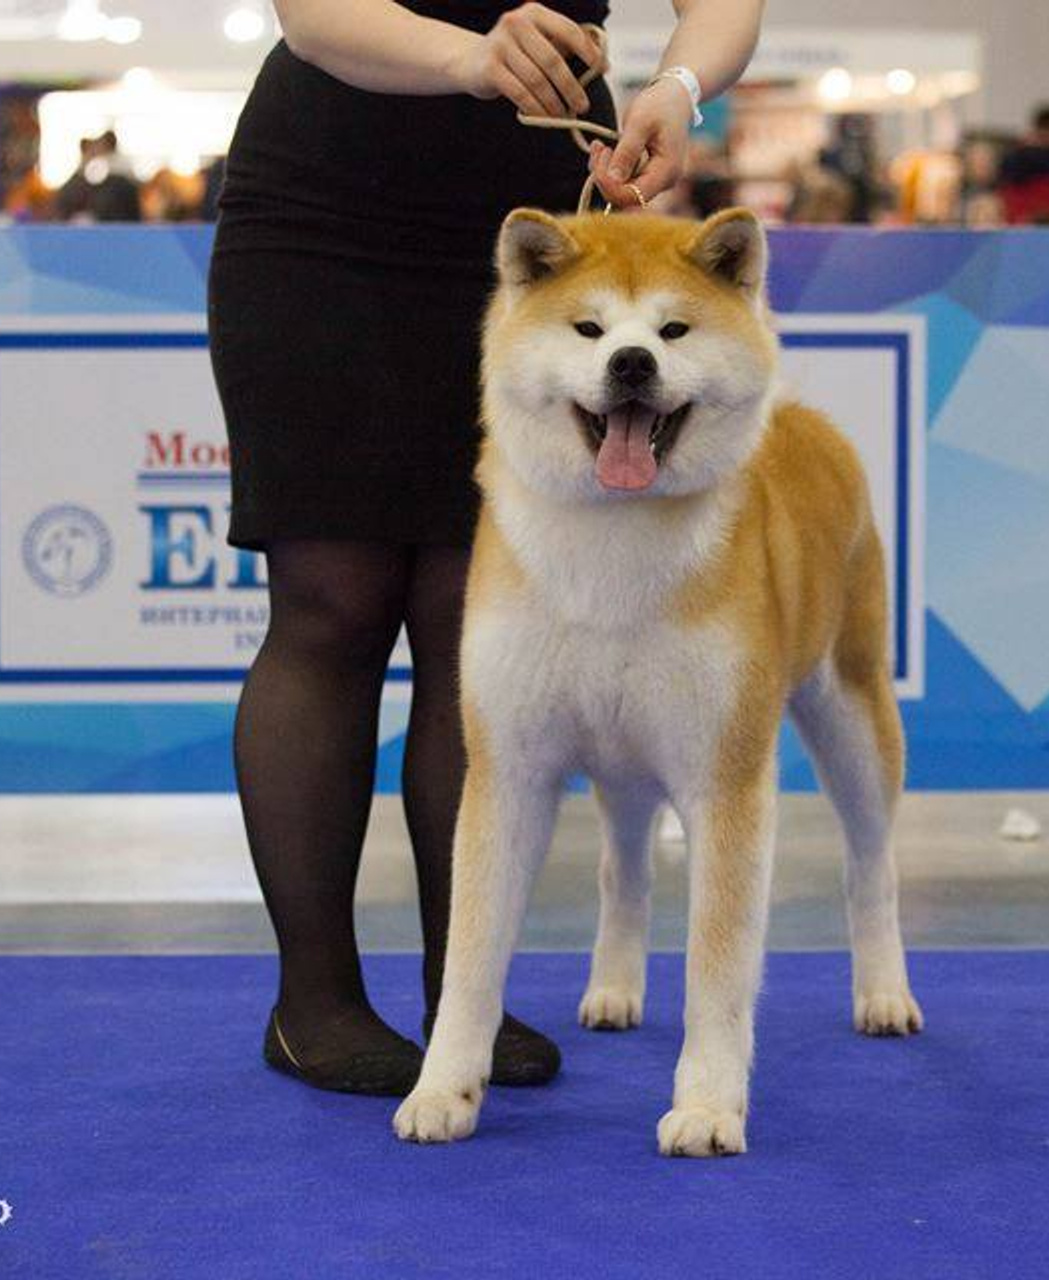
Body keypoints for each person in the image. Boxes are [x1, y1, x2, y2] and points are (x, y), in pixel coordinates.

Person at [207, 0, 764, 1098]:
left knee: (475, 618)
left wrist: (679, 88)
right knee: (331, 601)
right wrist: (471, 56)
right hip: (324, 214)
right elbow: (311, 13)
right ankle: (312, 998)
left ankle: (458, 998)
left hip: (539, 230)